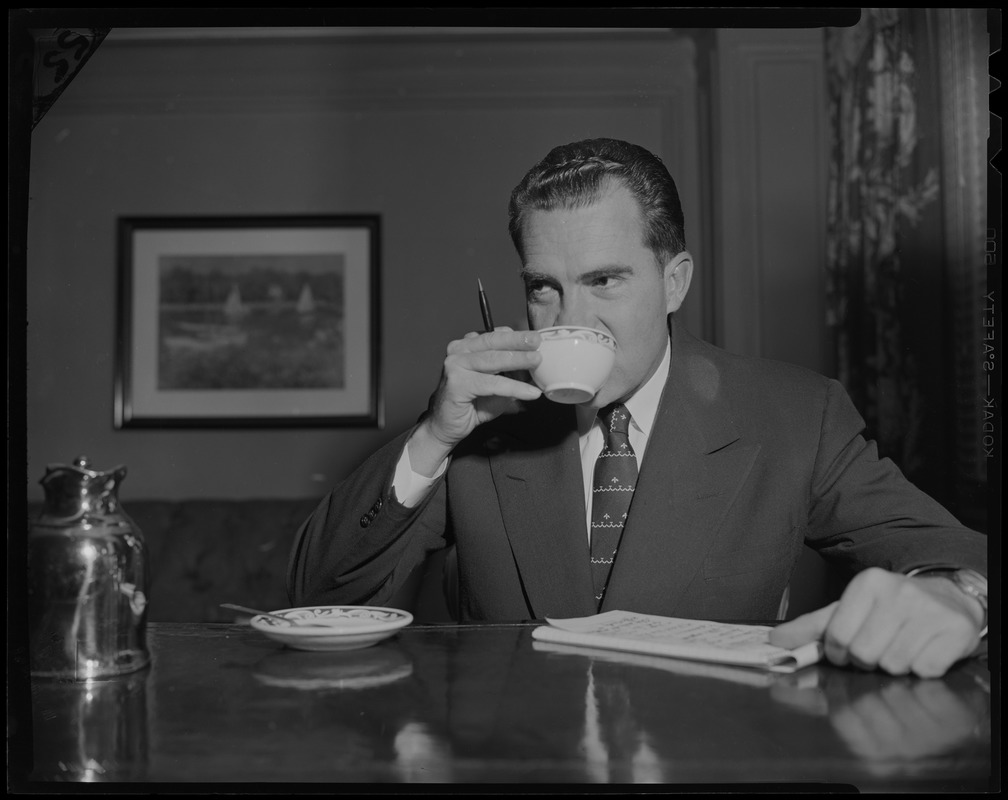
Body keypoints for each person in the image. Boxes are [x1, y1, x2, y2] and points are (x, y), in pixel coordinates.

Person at [287, 138, 988, 678]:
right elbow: (316, 592)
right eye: (544, 288)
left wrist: (956, 597)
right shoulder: (480, 424)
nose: (573, 320)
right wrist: (434, 437)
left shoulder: (796, 416)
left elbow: (956, 557)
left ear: (673, 281)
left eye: (604, 280)